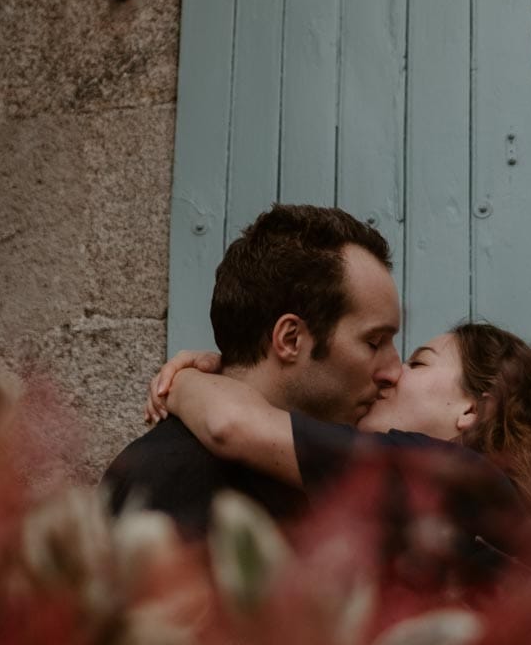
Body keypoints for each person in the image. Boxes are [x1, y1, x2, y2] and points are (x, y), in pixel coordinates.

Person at [146, 320, 531, 578]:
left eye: (418, 363)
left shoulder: (452, 474)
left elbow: (231, 424)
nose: (391, 372)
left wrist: (182, 381)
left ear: (473, 409)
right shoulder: (460, 496)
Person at [100, 203, 403, 538]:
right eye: (374, 343)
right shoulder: (173, 476)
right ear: (290, 339)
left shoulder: (320, 471)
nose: (394, 371)